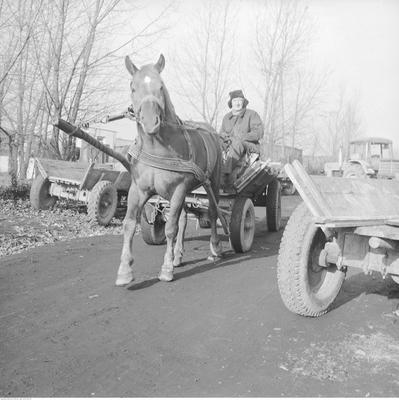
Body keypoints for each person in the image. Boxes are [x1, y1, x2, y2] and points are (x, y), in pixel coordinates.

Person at [219, 89, 264, 188]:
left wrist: (243, 137)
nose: (237, 103)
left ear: (243, 102)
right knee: (216, 143)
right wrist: (223, 138)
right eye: (235, 101)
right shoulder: (226, 117)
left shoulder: (252, 114)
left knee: (237, 143)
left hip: (249, 146)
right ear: (231, 103)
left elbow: (259, 133)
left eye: (240, 100)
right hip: (230, 145)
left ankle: (224, 174)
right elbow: (221, 133)